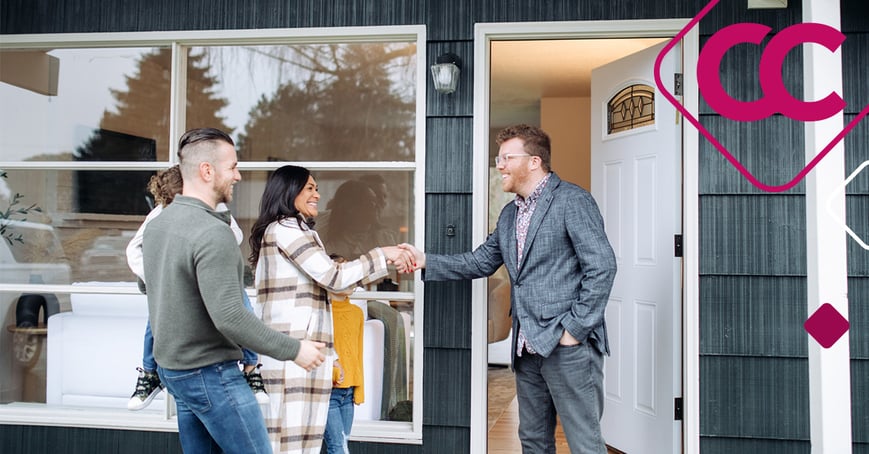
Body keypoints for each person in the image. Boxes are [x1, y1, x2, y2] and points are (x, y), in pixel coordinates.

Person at [400, 124, 617, 453]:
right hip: (526, 348)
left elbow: (602, 266)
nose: (498, 165)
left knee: (584, 442)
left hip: (567, 347)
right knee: (532, 440)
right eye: (497, 158)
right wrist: (425, 260)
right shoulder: (508, 215)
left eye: (505, 158)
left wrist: (573, 329)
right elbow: (479, 262)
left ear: (533, 161)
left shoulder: (572, 200)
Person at [142, 128, 326, 453]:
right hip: (212, 375)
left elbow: (153, 290)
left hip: (176, 373)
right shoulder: (214, 233)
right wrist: (295, 349)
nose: (238, 176)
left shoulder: (158, 226)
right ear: (206, 170)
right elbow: (230, 317)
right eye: (233, 167)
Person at [248, 164, 413, 454]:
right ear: (289, 192)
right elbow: (334, 278)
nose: (318, 194)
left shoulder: (293, 230)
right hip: (291, 360)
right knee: (288, 445)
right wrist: (383, 254)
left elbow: (326, 290)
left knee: (299, 443)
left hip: (300, 357)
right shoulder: (286, 231)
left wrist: (331, 356)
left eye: (316, 188)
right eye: (310, 188)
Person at [125, 164, 268, 411]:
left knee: (243, 308)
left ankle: (251, 368)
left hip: (212, 277)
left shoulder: (215, 209)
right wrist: (156, 277)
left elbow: (235, 235)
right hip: (178, 284)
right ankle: (150, 373)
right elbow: (133, 249)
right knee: (155, 321)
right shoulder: (160, 214)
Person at [323, 254, 365, 454]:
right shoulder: (322, 312)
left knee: (343, 444)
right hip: (329, 391)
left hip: (348, 393)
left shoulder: (357, 312)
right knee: (338, 447)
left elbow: (358, 353)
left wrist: (359, 388)